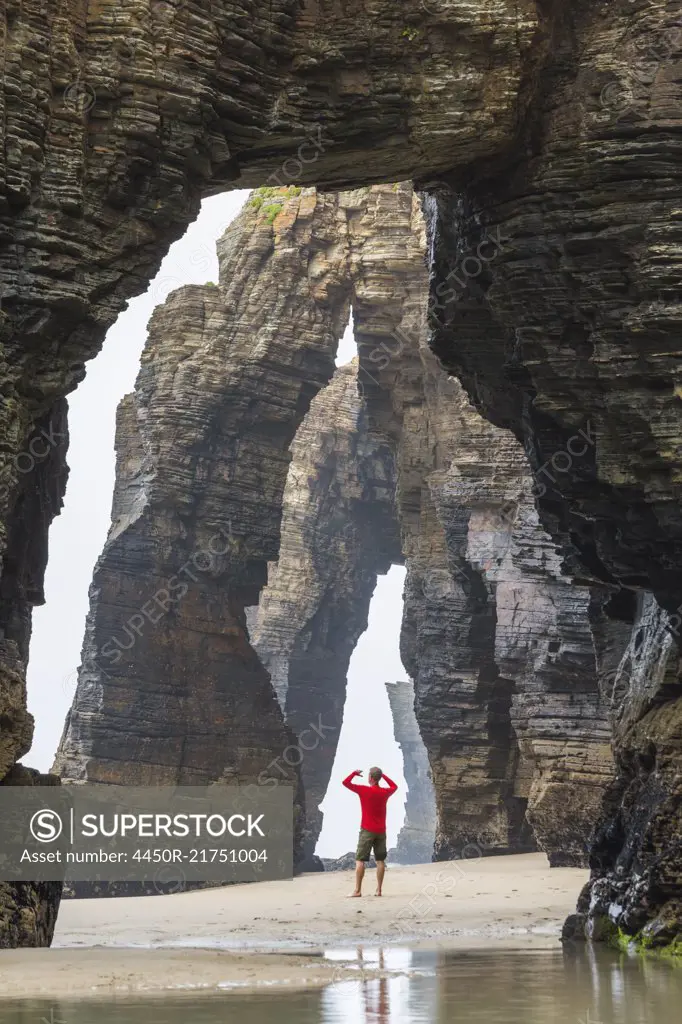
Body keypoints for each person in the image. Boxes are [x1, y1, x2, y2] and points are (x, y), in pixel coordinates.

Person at [342, 766, 398, 897]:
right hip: (381, 831)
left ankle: (357, 890)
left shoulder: (364, 790)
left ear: (370, 778)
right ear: (377, 778)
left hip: (367, 830)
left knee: (360, 859)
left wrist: (353, 773)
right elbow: (394, 786)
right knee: (380, 860)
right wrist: (382, 776)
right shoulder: (384, 792)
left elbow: (345, 783)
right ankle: (379, 890)